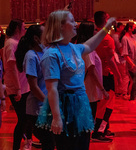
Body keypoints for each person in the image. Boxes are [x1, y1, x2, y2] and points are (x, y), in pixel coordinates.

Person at [36, 10, 115, 150]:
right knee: (69, 146)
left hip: (80, 104)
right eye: (71, 21)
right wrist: (56, 117)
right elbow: (52, 88)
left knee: (83, 144)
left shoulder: (73, 47)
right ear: (60, 26)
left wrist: (106, 27)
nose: (75, 24)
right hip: (65, 106)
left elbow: (91, 45)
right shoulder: (51, 54)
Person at [15, 25, 55, 150]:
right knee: (48, 141)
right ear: (36, 38)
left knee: (50, 142)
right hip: (37, 108)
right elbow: (33, 86)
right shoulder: (31, 56)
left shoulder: (44, 52)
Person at [92, 11, 121, 142]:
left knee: (103, 103)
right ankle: (98, 131)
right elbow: (110, 60)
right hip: (105, 74)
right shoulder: (106, 39)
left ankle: (103, 128)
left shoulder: (94, 35)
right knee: (106, 104)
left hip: (98, 74)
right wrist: (119, 76)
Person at [2, 19, 30, 150]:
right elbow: (11, 67)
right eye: (23, 27)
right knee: (23, 119)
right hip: (17, 88)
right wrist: (18, 88)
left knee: (27, 117)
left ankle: (28, 141)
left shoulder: (16, 42)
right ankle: (16, 146)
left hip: (24, 86)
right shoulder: (11, 43)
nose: (25, 29)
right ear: (18, 29)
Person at [76, 22, 109, 122]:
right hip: (88, 90)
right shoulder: (88, 49)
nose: (97, 32)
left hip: (84, 88)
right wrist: (103, 90)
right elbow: (91, 71)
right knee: (88, 121)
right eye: (95, 30)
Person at [111, 22, 130, 99]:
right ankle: (123, 92)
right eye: (121, 27)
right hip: (120, 59)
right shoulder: (117, 37)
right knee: (125, 76)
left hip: (116, 59)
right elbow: (120, 49)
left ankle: (118, 91)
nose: (123, 28)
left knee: (117, 75)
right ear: (118, 28)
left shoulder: (113, 36)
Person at [120, 22, 136, 100]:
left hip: (134, 62)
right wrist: (132, 64)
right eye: (134, 27)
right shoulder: (125, 38)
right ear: (129, 28)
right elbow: (125, 54)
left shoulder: (132, 37)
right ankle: (130, 96)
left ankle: (132, 97)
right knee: (133, 80)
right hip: (130, 63)